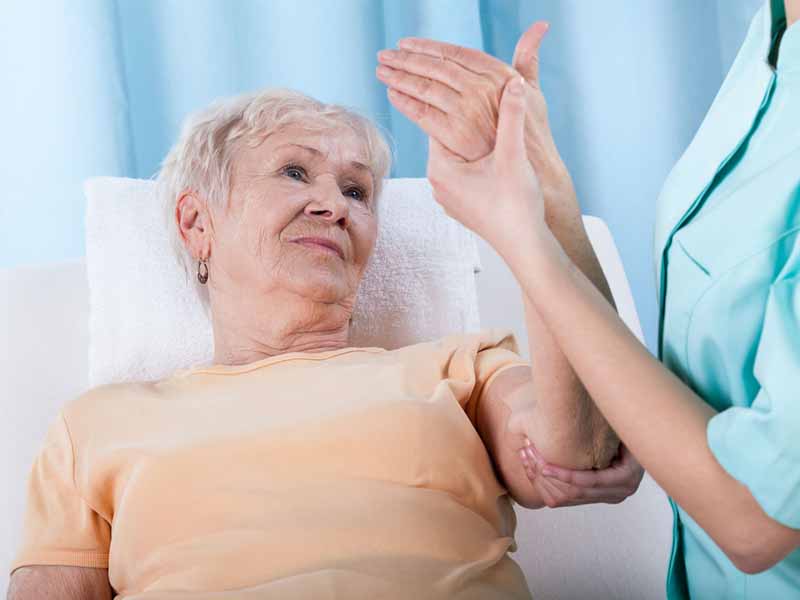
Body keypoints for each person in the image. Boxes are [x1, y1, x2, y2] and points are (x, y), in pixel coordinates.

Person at [7, 84, 639, 600]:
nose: (334, 206)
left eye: (356, 191)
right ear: (197, 223)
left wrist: (544, 208)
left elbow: (579, 446)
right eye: (295, 172)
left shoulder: (460, 370)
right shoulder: (97, 424)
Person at [379, 0, 800, 597]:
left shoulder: (454, 374)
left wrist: (522, 237)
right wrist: (543, 185)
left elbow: (758, 515)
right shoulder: (777, 33)